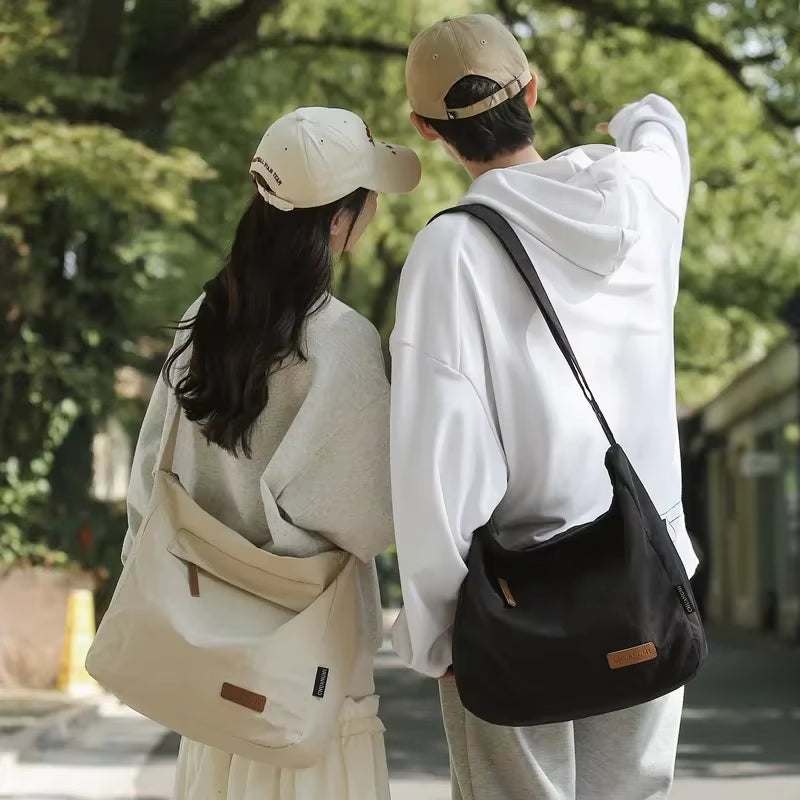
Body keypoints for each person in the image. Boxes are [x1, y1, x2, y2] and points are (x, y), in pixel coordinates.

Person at [390, 13, 700, 800]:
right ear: (532, 89)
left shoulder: (451, 250)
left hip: (514, 600)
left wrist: (435, 630)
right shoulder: (641, 195)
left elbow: (439, 463)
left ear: (426, 130)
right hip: (645, 575)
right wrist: (634, 117)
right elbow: (664, 130)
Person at [122, 107, 420, 800]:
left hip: (208, 654)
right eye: (368, 196)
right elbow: (372, 519)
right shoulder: (338, 343)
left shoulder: (205, 321)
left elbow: (149, 481)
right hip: (307, 676)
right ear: (338, 219)